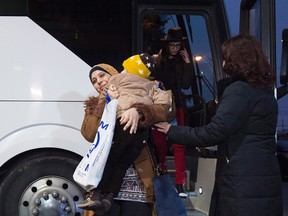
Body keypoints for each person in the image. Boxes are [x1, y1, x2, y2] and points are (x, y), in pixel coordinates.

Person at [155, 33, 283, 216]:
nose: (223, 63)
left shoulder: (239, 90)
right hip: (262, 178)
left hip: (242, 181)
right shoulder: (263, 89)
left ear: (236, 60)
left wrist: (171, 130)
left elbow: (214, 132)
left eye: (225, 58)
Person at [79, 53, 175, 216]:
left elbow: (167, 111)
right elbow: (89, 134)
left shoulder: (144, 87)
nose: (99, 82)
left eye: (102, 75)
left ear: (114, 74)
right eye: (94, 81)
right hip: (106, 183)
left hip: (139, 177)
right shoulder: (93, 106)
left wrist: (139, 111)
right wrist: (106, 102)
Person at [151, 27, 195, 198]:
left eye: (178, 45)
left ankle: (180, 183)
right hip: (160, 106)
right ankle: (160, 178)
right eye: (173, 45)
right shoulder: (158, 61)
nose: (175, 48)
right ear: (167, 45)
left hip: (177, 106)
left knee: (179, 145)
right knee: (160, 144)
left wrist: (188, 63)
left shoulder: (180, 63)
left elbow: (185, 85)